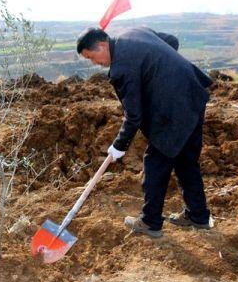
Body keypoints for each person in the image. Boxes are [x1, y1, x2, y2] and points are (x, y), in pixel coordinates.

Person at [76, 27, 213, 238]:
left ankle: (150, 222)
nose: (94, 63)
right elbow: (172, 39)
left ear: (102, 45)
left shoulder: (122, 69)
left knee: (155, 163)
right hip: (193, 93)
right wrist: (161, 71)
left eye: (91, 57)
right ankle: (199, 216)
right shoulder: (135, 32)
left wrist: (119, 146)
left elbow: (134, 116)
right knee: (186, 160)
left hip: (172, 111)